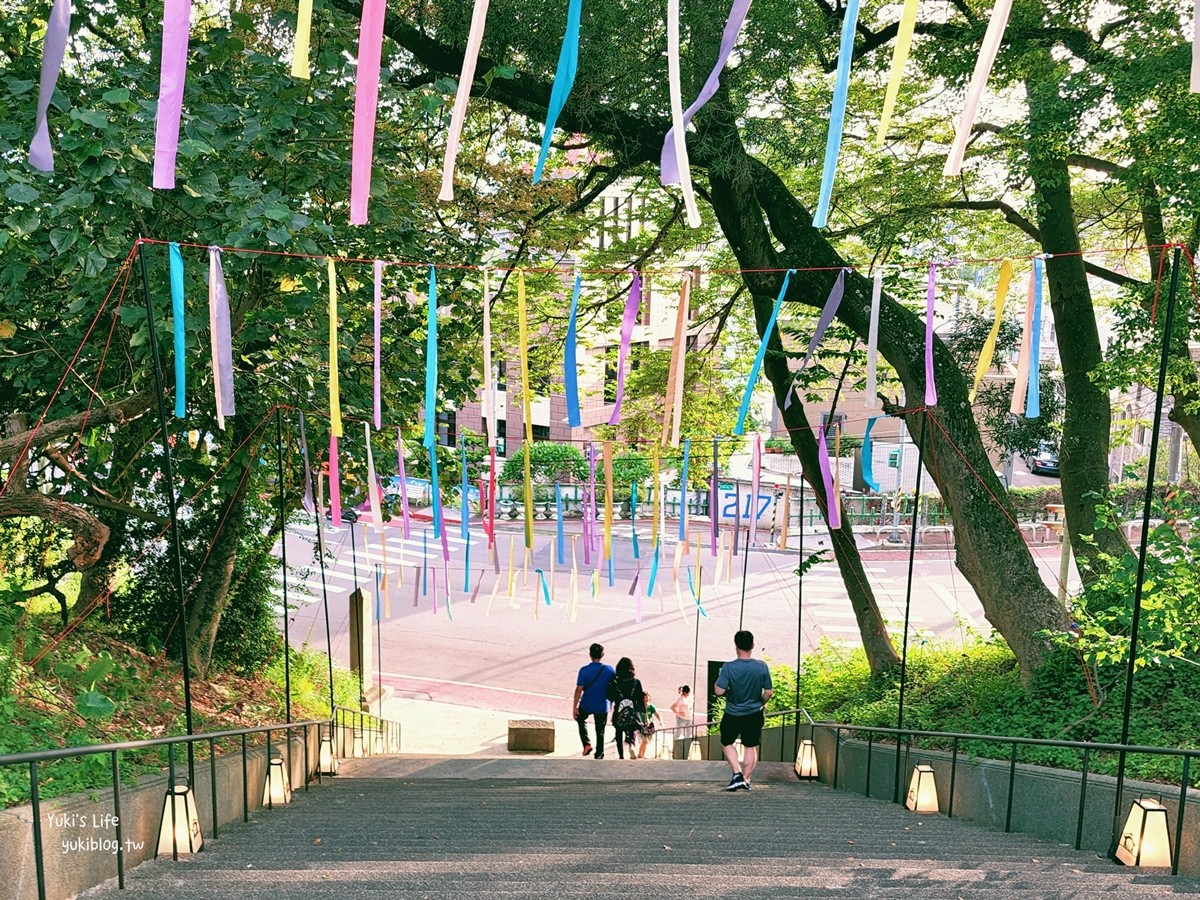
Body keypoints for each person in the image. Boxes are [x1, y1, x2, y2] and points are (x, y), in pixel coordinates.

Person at [714, 630, 773, 791]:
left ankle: (736, 773)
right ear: (752, 645)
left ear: (736, 646)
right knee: (750, 746)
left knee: (727, 742)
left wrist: (728, 691)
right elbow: (768, 691)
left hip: (732, 713)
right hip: (754, 713)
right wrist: (761, 702)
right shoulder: (761, 666)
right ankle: (746, 779)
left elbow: (718, 691)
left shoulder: (728, 667)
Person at [572, 642, 615, 758]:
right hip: (602, 705)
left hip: (587, 703)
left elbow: (578, 690)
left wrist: (575, 707)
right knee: (600, 731)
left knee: (580, 719)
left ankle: (586, 744)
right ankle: (599, 754)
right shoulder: (610, 670)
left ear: (590, 654)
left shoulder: (584, 670)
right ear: (602, 654)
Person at [606, 657, 646, 760]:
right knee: (632, 730)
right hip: (632, 712)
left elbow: (609, 696)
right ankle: (631, 745)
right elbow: (641, 700)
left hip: (619, 712)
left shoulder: (615, 682)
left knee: (618, 733)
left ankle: (621, 756)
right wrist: (644, 715)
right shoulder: (636, 682)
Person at [636, 692, 663, 759]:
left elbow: (657, 714)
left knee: (646, 741)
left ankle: (642, 755)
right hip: (641, 726)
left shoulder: (651, 706)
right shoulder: (640, 706)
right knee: (644, 741)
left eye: (648, 697)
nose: (647, 698)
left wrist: (661, 721)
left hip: (649, 727)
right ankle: (639, 755)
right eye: (645, 697)